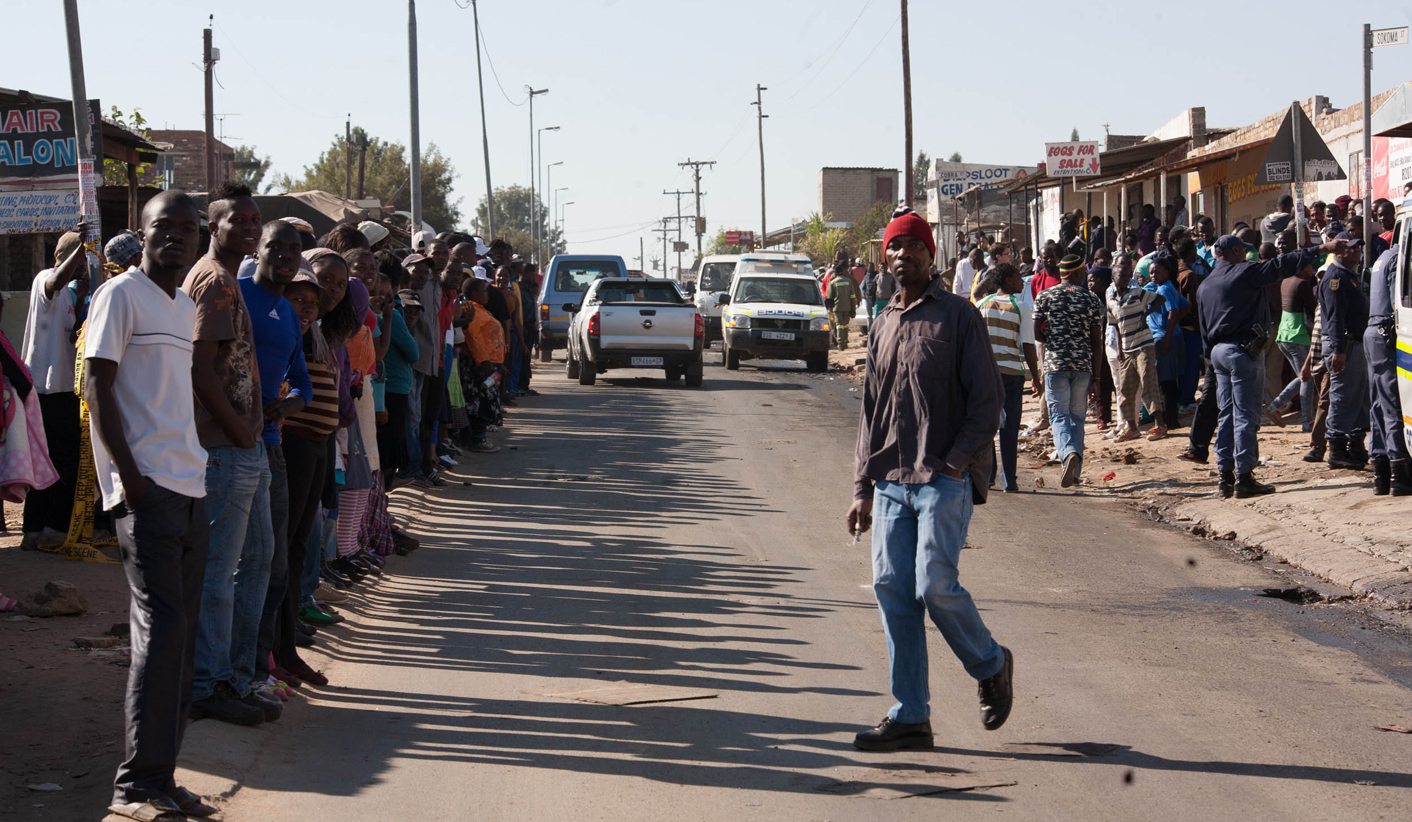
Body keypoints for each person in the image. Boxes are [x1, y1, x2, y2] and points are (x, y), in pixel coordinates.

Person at [846, 210, 1011, 752]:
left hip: (942, 477)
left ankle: (990, 663)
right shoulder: (883, 322)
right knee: (893, 590)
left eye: (915, 247)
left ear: (931, 256)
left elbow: (988, 404)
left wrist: (957, 464)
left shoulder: (960, 317)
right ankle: (911, 714)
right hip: (891, 479)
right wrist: (862, 488)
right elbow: (871, 413)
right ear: (885, 258)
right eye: (896, 248)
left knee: (933, 584)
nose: (904, 255)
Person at [88, 190, 218, 822]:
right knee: (159, 633)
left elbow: (171, 396)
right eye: (162, 226)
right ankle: (134, 785)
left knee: (182, 640)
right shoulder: (120, 294)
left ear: (198, 239)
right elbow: (97, 385)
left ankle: (163, 777)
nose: (176, 236)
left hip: (190, 487)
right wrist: (130, 480)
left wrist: (192, 466)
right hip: (148, 494)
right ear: (140, 233)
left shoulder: (183, 303)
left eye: (187, 229)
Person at [179, 183, 276, 728]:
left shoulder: (228, 279)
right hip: (225, 449)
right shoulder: (214, 281)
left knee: (257, 560)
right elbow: (200, 368)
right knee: (222, 571)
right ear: (212, 226)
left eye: (253, 219)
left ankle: (236, 677)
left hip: (245, 445)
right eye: (236, 219)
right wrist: (239, 431)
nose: (248, 227)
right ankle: (208, 683)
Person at [1197, 233, 1344, 498]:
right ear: (1234, 253)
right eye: (1241, 251)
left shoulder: (1205, 285)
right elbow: (1281, 264)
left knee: (1226, 416)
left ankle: (1224, 476)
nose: (1244, 256)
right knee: (1245, 416)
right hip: (1242, 353)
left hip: (1217, 354)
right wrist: (1321, 248)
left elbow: (1204, 328)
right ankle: (1244, 477)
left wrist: (1211, 359)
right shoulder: (1243, 272)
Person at [239, 221, 313, 712]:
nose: (285, 256)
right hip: (229, 446)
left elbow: (302, 383)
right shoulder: (234, 293)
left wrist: (288, 406)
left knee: (275, 566)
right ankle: (232, 672)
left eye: (293, 250)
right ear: (258, 250)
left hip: (271, 446)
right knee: (239, 568)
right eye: (276, 247)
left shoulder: (288, 312)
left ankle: (259, 665)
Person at [20, 229, 88, 550]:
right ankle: (44, 529)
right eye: (79, 258)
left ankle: (43, 529)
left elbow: (69, 336)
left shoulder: (70, 297)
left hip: (61, 389)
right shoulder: (46, 279)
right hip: (45, 390)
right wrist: (79, 254)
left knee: (55, 460)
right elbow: (56, 282)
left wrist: (85, 283)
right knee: (55, 460)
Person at [1033, 254, 1104, 486]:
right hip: (1083, 366)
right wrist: (1098, 377)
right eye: (1083, 271)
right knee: (1077, 417)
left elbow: (1037, 333)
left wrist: (1053, 338)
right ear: (1076, 273)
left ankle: (1068, 453)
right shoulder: (1091, 298)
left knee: (1058, 415)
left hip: (1055, 364)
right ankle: (1074, 473)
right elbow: (1096, 341)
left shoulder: (1045, 296)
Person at [977, 263, 1041, 492]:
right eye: (1016, 278)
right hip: (1012, 373)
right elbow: (1027, 346)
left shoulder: (981, 305)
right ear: (1005, 280)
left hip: (986, 374)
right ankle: (1010, 479)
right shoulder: (1021, 307)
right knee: (1010, 428)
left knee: (988, 426)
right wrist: (1036, 377)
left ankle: (989, 475)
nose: (1021, 281)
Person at [1317, 234, 1370, 470]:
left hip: (1352, 343)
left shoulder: (1349, 276)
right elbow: (1336, 317)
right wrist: (1339, 350)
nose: (1357, 251)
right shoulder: (1336, 278)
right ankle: (1336, 448)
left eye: (1358, 247)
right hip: (1343, 344)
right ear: (1339, 251)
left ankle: (1355, 445)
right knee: (1341, 396)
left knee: (1357, 396)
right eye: (1351, 248)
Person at [1364, 244, 1412, 495]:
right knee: (1392, 404)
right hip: (1386, 334)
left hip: (1374, 332)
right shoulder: (1400, 258)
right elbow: (1400, 305)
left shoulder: (1383, 256)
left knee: (1378, 405)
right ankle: (1399, 474)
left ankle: (1381, 473)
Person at [1108, 255, 1164, 442]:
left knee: (1148, 383)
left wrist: (1146, 313)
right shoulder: (1111, 300)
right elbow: (1114, 325)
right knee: (1125, 389)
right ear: (1113, 279)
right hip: (1126, 348)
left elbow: (1159, 299)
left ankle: (1160, 425)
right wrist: (1119, 349)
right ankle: (1132, 428)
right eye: (1121, 276)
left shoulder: (1137, 292)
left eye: (1127, 276)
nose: (1124, 279)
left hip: (1144, 345)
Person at [1269, 255, 1317, 429]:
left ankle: (1277, 406)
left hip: (1284, 334)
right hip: (1297, 335)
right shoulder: (1302, 284)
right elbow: (1314, 307)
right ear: (1303, 267)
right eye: (1311, 265)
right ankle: (1306, 420)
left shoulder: (1286, 281)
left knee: (1302, 376)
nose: (1313, 269)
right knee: (1306, 377)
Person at [1144, 253, 1189, 436]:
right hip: (1172, 335)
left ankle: (1170, 419)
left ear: (1166, 272)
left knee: (1166, 380)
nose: (1154, 275)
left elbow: (1173, 312)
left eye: (1157, 272)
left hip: (1164, 337)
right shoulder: (1167, 287)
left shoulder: (1163, 290)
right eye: (1151, 272)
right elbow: (1186, 306)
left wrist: (1167, 336)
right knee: (1171, 379)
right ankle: (1172, 417)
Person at [826, 264, 859, 349]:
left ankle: (840, 343)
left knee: (839, 325)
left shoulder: (832, 282)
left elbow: (829, 298)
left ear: (835, 273)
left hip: (837, 308)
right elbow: (852, 297)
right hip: (847, 307)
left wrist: (830, 310)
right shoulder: (849, 281)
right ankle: (845, 341)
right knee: (845, 325)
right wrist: (853, 309)